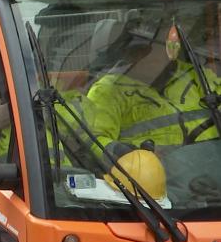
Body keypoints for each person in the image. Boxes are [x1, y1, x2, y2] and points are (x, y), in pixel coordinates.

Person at [87, 20, 221, 158]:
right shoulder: (108, 91)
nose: (143, 56)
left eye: (151, 48)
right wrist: (130, 154)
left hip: (212, 166)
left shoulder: (195, 74)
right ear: (126, 53)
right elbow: (94, 140)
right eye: (138, 50)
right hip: (153, 175)